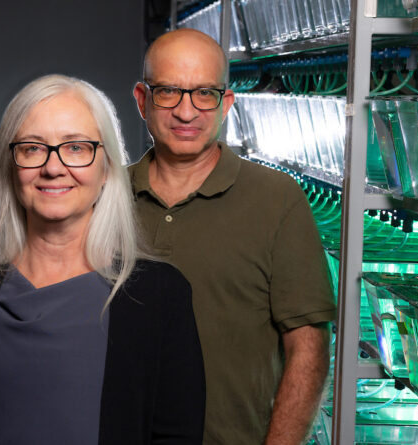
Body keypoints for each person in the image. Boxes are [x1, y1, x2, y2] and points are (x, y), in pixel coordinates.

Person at [0, 74, 205, 445]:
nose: (52, 167)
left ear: (107, 169)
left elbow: (176, 436)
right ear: (10, 167)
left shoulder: (161, 294)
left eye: (76, 148)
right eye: (32, 148)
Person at [130, 29, 336, 445]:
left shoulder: (277, 200)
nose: (187, 112)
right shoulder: (103, 198)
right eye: (169, 91)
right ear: (142, 100)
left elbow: (308, 348)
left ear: (226, 103)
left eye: (204, 93)